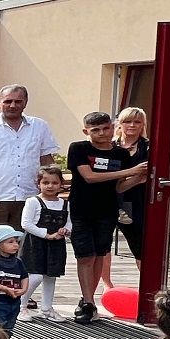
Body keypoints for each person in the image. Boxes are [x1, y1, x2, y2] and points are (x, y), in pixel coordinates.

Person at [65, 111, 138, 323]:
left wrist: (138, 177)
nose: (102, 133)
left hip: (107, 210)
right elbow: (89, 177)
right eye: (95, 130)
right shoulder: (79, 148)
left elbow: (120, 186)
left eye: (105, 128)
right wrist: (130, 170)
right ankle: (87, 301)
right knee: (85, 255)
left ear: (113, 127)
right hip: (81, 209)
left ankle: (88, 300)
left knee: (99, 254)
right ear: (86, 131)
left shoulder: (121, 155)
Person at [0, 85, 60, 232]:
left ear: (25, 103)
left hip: (29, 197)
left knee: (25, 247)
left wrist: (50, 191)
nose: (13, 105)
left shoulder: (40, 126)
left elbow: (47, 160)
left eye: (18, 101)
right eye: (8, 101)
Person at [19, 166, 71, 322]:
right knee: (35, 276)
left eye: (55, 183)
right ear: (38, 183)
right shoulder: (33, 201)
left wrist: (66, 231)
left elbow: (69, 222)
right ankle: (21, 305)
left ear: (60, 184)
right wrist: (46, 235)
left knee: (51, 276)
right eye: (46, 182)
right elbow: (26, 223)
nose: (50, 186)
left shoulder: (65, 203)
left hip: (56, 245)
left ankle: (47, 308)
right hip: (35, 244)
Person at [111, 107, 152, 271]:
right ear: (120, 124)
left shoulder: (149, 147)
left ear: (143, 125)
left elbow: (150, 174)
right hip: (108, 198)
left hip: (137, 200)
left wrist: (127, 179)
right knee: (102, 248)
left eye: (137, 122)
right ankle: (105, 284)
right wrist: (135, 175)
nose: (132, 125)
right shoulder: (110, 146)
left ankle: (145, 287)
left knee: (140, 246)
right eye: (128, 121)